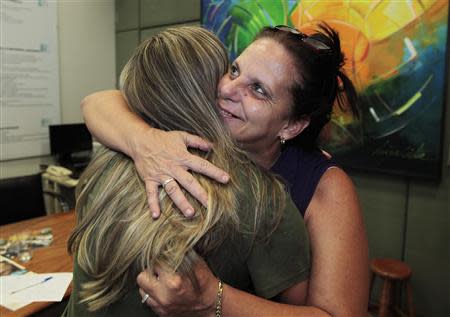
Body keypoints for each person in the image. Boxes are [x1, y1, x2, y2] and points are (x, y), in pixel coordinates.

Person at [81, 24, 369, 316]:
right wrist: (143, 141)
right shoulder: (183, 147)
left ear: (291, 125)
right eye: (234, 70)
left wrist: (213, 299)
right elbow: (96, 102)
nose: (227, 89)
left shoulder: (320, 187)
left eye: (258, 90)